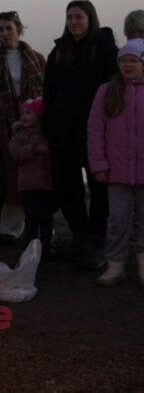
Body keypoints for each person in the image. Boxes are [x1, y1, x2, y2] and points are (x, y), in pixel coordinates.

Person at [43, 0, 118, 269]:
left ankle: (97, 241)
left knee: (100, 188)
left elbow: (115, 91)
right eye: (70, 17)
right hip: (64, 133)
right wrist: (49, 125)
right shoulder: (58, 51)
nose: (74, 21)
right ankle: (79, 233)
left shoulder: (106, 49)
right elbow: (49, 91)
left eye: (79, 17)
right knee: (66, 185)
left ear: (90, 18)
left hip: (97, 132)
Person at [0, 11, 46, 244]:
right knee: (11, 179)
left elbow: (47, 92)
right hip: (4, 126)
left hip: (34, 125)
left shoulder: (37, 58)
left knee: (36, 178)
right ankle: (10, 229)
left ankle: (40, 229)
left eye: (9, 28)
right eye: (1, 29)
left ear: (19, 29)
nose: (5, 33)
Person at [87, 39, 144, 286]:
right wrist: (99, 164)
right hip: (117, 170)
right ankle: (114, 266)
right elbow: (95, 129)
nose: (128, 65)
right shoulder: (106, 90)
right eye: (124, 61)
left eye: (133, 61)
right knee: (118, 219)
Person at [8, 98, 55, 259]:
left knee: (46, 220)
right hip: (28, 186)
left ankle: (46, 248)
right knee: (31, 220)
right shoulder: (19, 136)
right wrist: (35, 149)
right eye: (23, 113)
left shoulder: (47, 134)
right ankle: (30, 250)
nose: (24, 117)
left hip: (46, 186)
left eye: (29, 113)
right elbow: (15, 154)